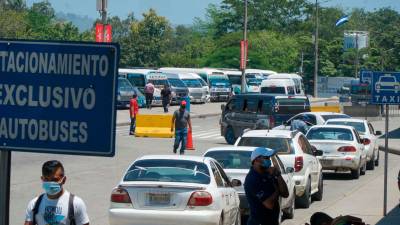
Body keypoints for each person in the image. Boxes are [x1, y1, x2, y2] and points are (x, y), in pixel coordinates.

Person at [24, 160, 89, 225]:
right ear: (42, 179)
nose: (50, 183)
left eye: (55, 180)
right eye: (46, 179)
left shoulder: (76, 204)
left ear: (64, 180)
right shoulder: (34, 204)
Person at [244, 147, 289, 225]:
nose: (269, 160)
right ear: (257, 160)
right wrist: (277, 189)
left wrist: (278, 175)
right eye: (266, 158)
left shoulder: (268, 174)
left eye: (269, 158)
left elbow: (285, 193)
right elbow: (269, 204)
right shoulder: (252, 179)